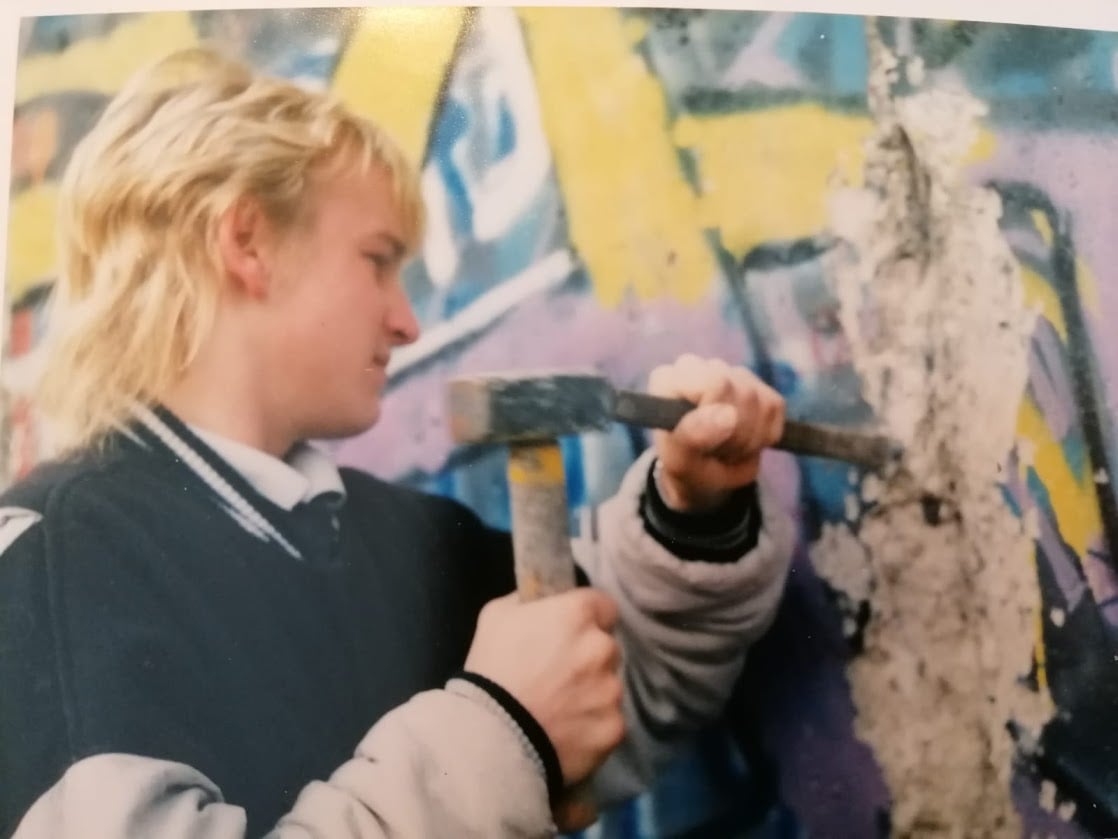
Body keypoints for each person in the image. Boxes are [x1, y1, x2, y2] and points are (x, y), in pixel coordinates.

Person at [0, 47, 795, 839]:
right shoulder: (53, 557)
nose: (406, 320)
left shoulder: (397, 537)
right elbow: (521, 719)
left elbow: (626, 694)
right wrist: (502, 727)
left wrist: (693, 507)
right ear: (248, 241)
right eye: (377, 261)